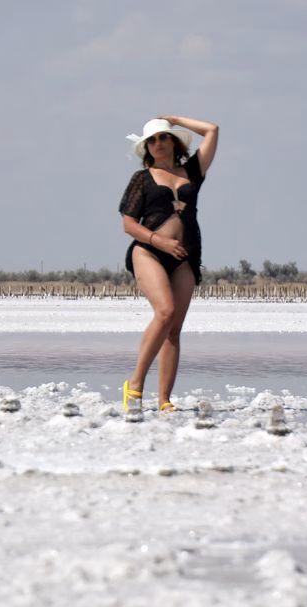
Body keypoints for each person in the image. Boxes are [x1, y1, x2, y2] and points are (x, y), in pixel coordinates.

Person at [118, 115, 219, 413]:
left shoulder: (192, 172)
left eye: (164, 137)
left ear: (173, 141)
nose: (158, 143)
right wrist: (158, 241)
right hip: (148, 252)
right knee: (165, 311)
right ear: (146, 148)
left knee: (174, 330)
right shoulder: (142, 179)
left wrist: (173, 120)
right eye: (152, 140)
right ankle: (134, 385)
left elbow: (212, 130)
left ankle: (164, 399)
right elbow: (128, 224)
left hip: (185, 255)